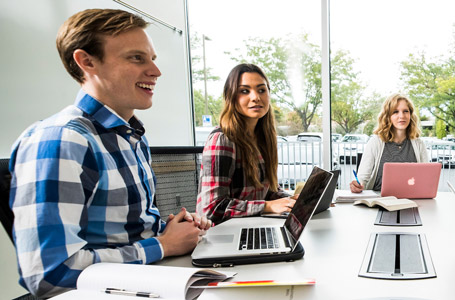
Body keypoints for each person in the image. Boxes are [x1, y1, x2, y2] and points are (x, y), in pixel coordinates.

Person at [8, 9, 211, 298]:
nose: (155, 71)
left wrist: (175, 229)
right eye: (136, 58)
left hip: (150, 280)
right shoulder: (62, 140)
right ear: (86, 61)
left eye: (152, 59)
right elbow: (50, 274)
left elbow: (124, 232)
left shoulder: (131, 136)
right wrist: (164, 245)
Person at [196, 63, 295, 224]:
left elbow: (266, 193)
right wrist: (267, 206)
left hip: (253, 225)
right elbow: (211, 209)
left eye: (261, 90)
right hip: (224, 234)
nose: (256, 97)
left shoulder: (263, 138)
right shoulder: (223, 139)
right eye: (244, 91)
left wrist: (293, 200)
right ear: (231, 97)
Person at [350, 94, 430, 192]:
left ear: (410, 115)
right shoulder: (375, 142)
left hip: (411, 200)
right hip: (380, 200)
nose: (402, 116)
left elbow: (426, 178)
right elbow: (362, 178)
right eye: (395, 112)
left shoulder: (419, 144)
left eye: (406, 111)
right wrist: (357, 185)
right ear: (388, 116)